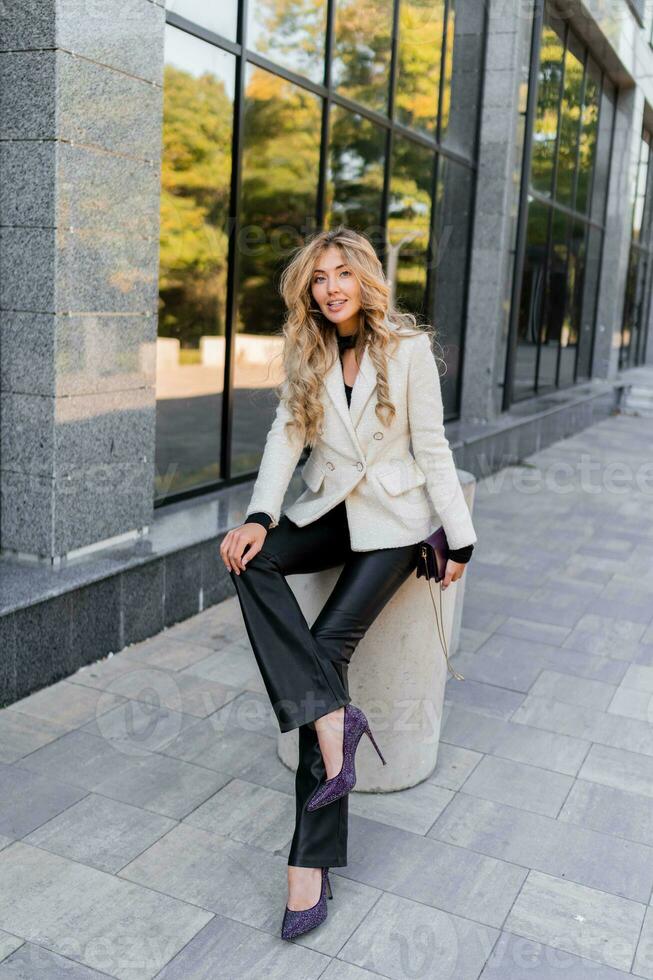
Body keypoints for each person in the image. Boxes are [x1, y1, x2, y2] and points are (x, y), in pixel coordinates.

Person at [219, 226, 477, 941]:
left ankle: (308, 867)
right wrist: (260, 516)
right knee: (250, 559)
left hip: (394, 523)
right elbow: (287, 435)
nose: (329, 287)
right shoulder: (307, 347)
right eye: (317, 277)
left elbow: (432, 446)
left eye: (341, 273)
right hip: (330, 507)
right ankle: (335, 718)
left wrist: (460, 535)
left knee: (325, 649)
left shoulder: (407, 349)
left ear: (364, 277)